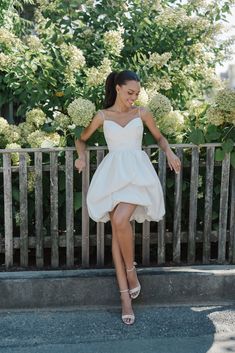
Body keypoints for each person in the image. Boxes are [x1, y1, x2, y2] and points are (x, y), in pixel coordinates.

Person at [74, 70, 181, 325]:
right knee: (117, 229)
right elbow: (81, 139)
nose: (134, 97)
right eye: (130, 92)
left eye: (137, 93)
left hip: (136, 173)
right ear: (119, 88)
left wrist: (169, 153)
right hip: (113, 174)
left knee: (121, 219)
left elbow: (159, 137)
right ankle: (125, 297)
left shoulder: (142, 113)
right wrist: (81, 156)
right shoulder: (102, 116)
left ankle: (131, 271)